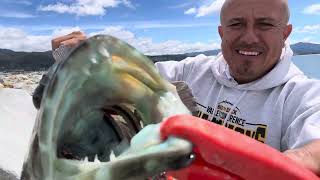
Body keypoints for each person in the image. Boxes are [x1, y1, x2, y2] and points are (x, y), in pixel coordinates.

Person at [37, 0, 320, 175]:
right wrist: (72, 57)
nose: (249, 37)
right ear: (221, 32)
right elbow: (125, 78)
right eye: (236, 24)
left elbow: (315, 149)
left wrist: (275, 165)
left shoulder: (302, 94)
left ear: (285, 33)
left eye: (265, 24)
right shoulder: (193, 70)